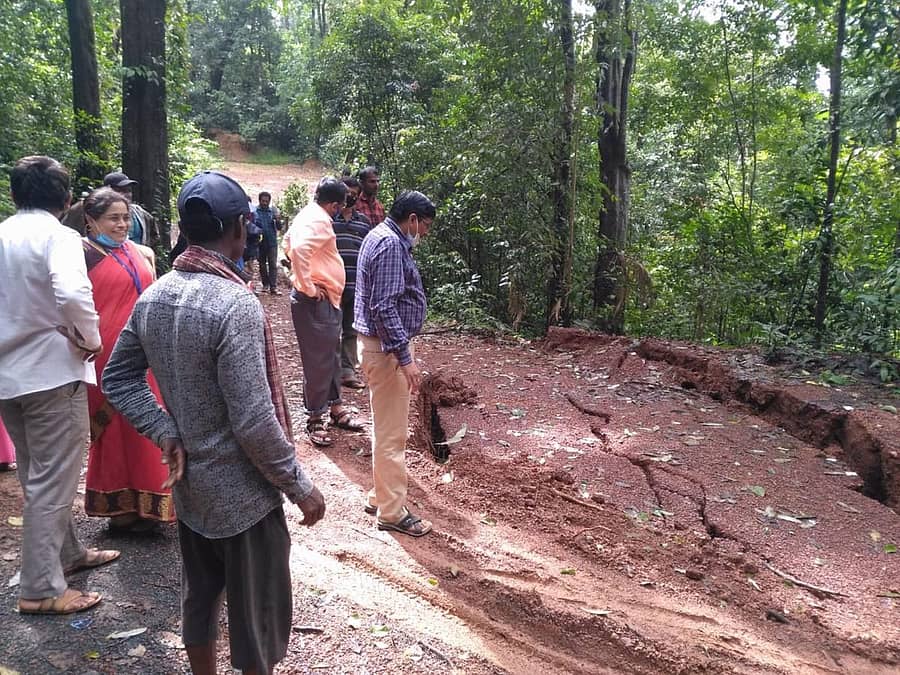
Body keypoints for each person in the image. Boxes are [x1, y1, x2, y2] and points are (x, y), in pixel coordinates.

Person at [102, 170, 325, 675]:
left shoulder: (157, 294)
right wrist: (299, 485)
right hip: (245, 498)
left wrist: (166, 430)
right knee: (257, 619)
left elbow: (118, 379)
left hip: (192, 490)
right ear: (240, 230)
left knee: (199, 598)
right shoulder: (235, 305)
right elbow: (253, 420)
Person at [0, 155, 119, 615]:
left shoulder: (3, 233)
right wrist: (90, 338)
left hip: (10, 376)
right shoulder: (60, 237)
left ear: (15, 195)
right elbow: (72, 292)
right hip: (52, 373)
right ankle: (41, 587)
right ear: (67, 200)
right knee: (54, 478)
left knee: (37, 474)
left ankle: (66, 555)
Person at [80, 187, 175, 533]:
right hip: (104, 354)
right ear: (91, 221)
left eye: (125, 218)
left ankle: (152, 501)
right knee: (114, 429)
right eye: (112, 218)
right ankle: (119, 507)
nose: (121, 225)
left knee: (147, 422)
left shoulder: (140, 251)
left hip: (145, 350)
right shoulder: (82, 254)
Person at [354, 190, 436, 538]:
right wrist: (406, 359)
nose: (425, 233)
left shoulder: (380, 235)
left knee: (385, 428)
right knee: (393, 436)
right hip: (386, 352)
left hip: (378, 348)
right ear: (413, 219)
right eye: (425, 226)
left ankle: (379, 496)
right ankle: (391, 512)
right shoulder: (389, 245)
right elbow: (383, 307)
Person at [284, 177, 365, 446]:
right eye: (340, 205)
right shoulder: (317, 219)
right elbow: (298, 249)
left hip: (327, 298)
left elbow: (287, 242)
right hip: (315, 300)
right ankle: (316, 418)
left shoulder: (308, 215)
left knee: (330, 355)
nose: (340, 210)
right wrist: (307, 286)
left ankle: (334, 406)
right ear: (333, 204)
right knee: (318, 360)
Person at [332, 176, 373, 389]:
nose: (351, 198)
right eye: (347, 193)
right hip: (331, 285)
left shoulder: (364, 222)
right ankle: (330, 373)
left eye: (354, 195)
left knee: (350, 330)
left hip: (356, 285)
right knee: (331, 329)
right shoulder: (328, 219)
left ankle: (347, 372)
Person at [62, 171, 160, 251]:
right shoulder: (86, 209)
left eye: (128, 190)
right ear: (107, 190)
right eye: (120, 190)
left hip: (133, 261)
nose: (126, 194)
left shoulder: (140, 213)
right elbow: (68, 233)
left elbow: (154, 235)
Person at [255, 191, 282, 294]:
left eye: (267, 201)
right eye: (263, 201)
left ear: (269, 201)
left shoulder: (273, 212)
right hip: (260, 243)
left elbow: (279, 227)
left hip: (272, 242)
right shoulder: (255, 212)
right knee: (262, 265)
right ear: (259, 201)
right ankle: (265, 284)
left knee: (273, 264)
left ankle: (273, 287)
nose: (265, 203)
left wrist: (278, 220)